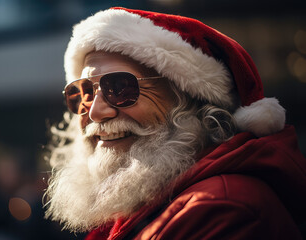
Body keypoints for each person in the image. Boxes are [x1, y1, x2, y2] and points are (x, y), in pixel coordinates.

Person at [43, 7, 306, 239]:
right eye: (84, 92)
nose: (95, 112)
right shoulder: (142, 206)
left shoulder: (221, 210)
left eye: (121, 87)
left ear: (191, 103)